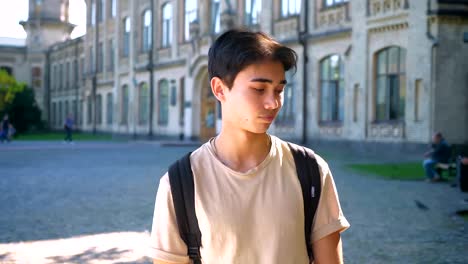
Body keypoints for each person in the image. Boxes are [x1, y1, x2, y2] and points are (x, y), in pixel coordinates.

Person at [148, 29, 350, 264]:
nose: (273, 102)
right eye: (259, 89)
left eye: (279, 90)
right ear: (219, 89)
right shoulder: (179, 183)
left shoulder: (311, 170)